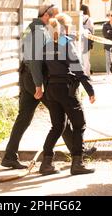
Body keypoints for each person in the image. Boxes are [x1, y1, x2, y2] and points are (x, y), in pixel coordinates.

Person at [1, 3, 95, 169]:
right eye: (54, 17)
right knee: (59, 114)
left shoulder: (33, 28)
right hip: (34, 78)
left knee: (24, 117)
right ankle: (77, 153)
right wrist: (39, 85)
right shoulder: (39, 32)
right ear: (46, 15)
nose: (56, 21)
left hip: (27, 76)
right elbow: (36, 61)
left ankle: (9, 155)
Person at [39, 13, 96, 175]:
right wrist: (90, 90)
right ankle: (77, 163)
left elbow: (43, 69)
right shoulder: (66, 42)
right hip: (66, 89)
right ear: (65, 27)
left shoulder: (46, 45)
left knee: (57, 127)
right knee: (79, 124)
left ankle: (46, 163)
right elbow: (77, 68)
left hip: (51, 90)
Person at [80, 4, 94, 78]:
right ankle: (87, 74)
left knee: (80, 57)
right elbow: (92, 30)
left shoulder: (79, 18)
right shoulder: (89, 19)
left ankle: (81, 74)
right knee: (86, 58)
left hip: (79, 40)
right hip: (86, 40)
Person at [102, 12, 112, 76]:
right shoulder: (105, 25)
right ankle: (108, 74)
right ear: (109, 17)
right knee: (108, 60)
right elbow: (105, 35)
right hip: (107, 45)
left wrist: (109, 32)